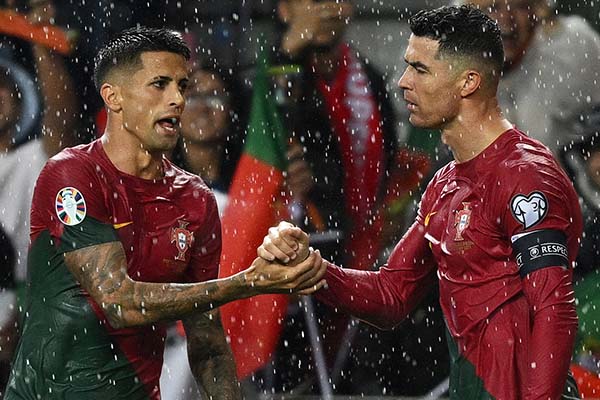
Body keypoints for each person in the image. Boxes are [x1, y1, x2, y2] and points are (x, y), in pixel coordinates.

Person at [259, 5, 583, 399]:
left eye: (420, 69)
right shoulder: (444, 186)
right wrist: (312, 270)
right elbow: (391, 294)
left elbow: (553, 308)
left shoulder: (525, 175)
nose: (402, 82)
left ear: (467, 82)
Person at [4, 26, 327, 400]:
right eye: (159, 85)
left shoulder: (195, 199)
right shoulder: (71, 175)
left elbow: (207, 341)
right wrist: (248, 282)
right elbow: (119, 302)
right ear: (114, 97)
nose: (177, 99)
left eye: (182, 86)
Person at [468, 0, 600, 156]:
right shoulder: (453, 69)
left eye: (520, 7)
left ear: (537, 10)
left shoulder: (573, 47)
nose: (506, 17)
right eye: (493, 7)